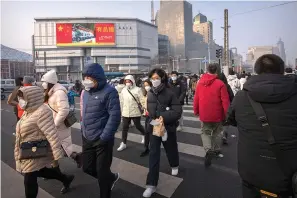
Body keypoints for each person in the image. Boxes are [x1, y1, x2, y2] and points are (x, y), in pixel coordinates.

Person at [226, 54, 297, 198]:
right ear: (282, 70)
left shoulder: (241, 96)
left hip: (252, 172)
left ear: (256, 70)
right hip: (288, 174)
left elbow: (230, 119)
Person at [14, 86, 74, 198]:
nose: (20, 101)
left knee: (29, 179)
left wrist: (56, 152)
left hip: (36, 148)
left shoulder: (42, 111)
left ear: (32, 97)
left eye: (23, 98)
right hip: (28, 148)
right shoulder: (28, 111)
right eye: (20, 98)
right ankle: (65, 178)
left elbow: (51, 132)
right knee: (40, 171)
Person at [80, 63, 121, 198]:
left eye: (90, 78)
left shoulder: (110, 92)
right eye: (85, 77)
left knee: (102, 173)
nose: (87, 80)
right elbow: (84, 112)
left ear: (98, 78)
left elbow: (114, 116)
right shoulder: (85, 92)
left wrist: (104, 137)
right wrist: (83, 130)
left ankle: (106, 186)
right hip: (87, 137)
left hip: (102, 139)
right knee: (87, 168)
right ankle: (110, 178)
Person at [143, 68, 181, 198]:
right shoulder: (149, 94)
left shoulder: (170, 93)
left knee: (171, 149)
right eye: (152, 78)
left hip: (167, 128)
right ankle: (151, 184)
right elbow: (149, 111)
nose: (154, 81)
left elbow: (177, 112)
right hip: (154, 128)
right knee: (153, 155)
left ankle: (174, 164)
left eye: (156, 78)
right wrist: (148, 118)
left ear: (162, 78)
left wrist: (162, 116)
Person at [41, 70, 81, 170]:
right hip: (52, 125)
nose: (43, 84)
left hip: (58, 126)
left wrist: (55, 124)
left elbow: (64, 110)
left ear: (50, 82)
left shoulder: (59, 93)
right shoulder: (51, 92)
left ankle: (59, 170)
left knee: (61, 148)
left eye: (45, 81)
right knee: (55, 149)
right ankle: (56, 171)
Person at [193, 63, 230, 167]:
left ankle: (208, 150)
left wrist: (196, 111)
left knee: (205, 132)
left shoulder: (200, 83)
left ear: (207, 70)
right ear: (217, 71)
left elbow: (196, 99)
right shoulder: (220, 84)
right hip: (218, 114)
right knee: (217, 132)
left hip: (204, 114)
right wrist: (228, 114)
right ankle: (217, 149)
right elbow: (225, 101)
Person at [117, 75, 146, 152]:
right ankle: (123, 143)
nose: (127, 83)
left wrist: (144, 107)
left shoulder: (138, 90)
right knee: (124, 128)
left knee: (138, 125)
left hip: (135, 111)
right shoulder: (123, 90)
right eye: (126, 81)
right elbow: (121, 101)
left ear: (132, 81)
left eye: (129, 81)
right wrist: (121, 111)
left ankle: (145, 135)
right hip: (125, 112)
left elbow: (142, 100)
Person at [217, 72, 234, 145]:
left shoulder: (215, 85)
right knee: (226, 123)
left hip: (217, 107)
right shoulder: (227, 86)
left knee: (218, 124)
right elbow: (232, 96)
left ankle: (218, 135)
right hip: (226, 107)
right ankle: (224, 134)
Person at [140, 79, 153, 157]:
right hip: (147, 115)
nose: (146, 87)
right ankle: (146, 147)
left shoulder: (154, 93)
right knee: (147, 132)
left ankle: (152, 147)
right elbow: (143, 104)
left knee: (150, 132)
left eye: (147, 85)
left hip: (154, 116)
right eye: (145, 85)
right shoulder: (145, 94)